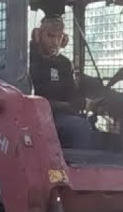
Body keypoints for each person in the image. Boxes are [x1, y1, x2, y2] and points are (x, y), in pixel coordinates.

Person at [29, 15, 94, 149]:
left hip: (62, 114)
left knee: (87, 125)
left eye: (59, 37)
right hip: (38, 115)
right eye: (51, 36)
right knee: (79, 128)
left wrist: (85, 103)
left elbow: (71, 92)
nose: (55, 42)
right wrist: (67, 106)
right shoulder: (28, 60)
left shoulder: (64, 63)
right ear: (38, 35)